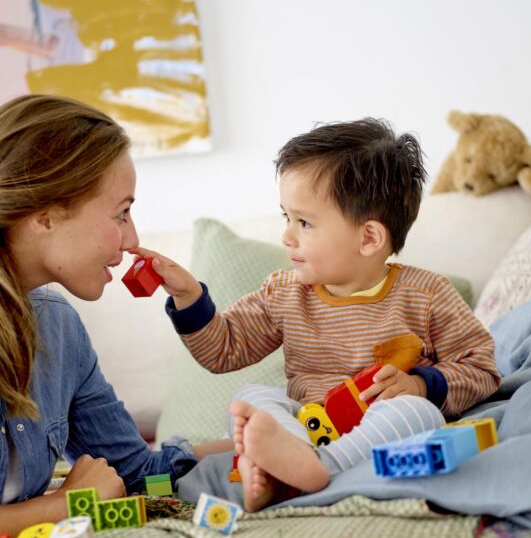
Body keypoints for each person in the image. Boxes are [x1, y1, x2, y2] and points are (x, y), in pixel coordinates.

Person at [141, 118, 501, 512]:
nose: (287, 236)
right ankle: (293, 459)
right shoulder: (284, 293)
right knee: (251, 399)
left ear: (368, 238)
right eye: (286, 218)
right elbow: (222, 350)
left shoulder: (427, 295)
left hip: (373, 431)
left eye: (304, 222)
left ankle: (308, 471)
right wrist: (190, 297)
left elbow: (482, 368)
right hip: (303, 425)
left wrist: (420, 385)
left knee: (418, 414)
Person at [0, 94, 232, 538]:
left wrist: (270, 441)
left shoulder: (58, 326)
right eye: (121, 213)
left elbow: (136, 474)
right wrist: (67, 504)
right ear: (45, 216)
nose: (133, 239)